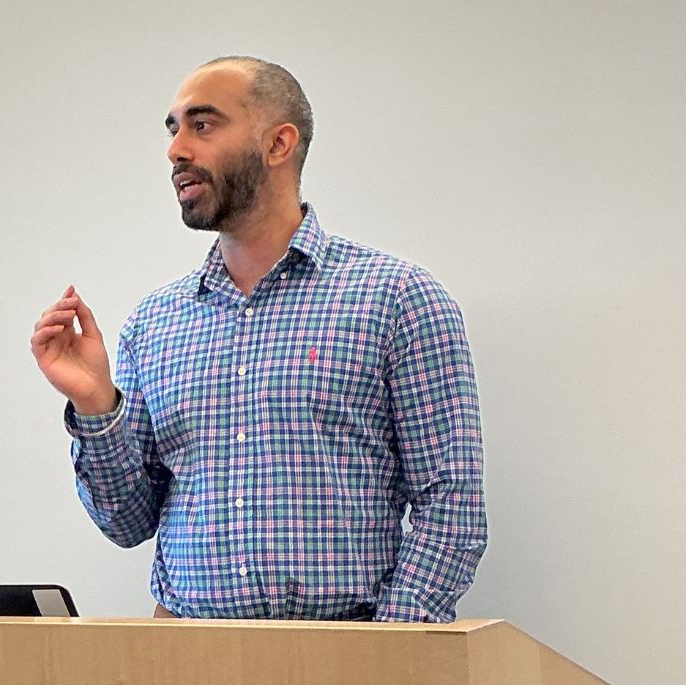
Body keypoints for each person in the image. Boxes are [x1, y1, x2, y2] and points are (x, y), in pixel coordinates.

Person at [31, 56, 487, 622]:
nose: (176, 150)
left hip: (346, 656)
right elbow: (127, 524)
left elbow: (453, 508)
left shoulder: (397, 300)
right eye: (173, 130)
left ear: (279, 144)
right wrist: (97, 406)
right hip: (184, 656)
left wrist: (386, 652)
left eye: (202, 124)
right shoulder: (155, 324)